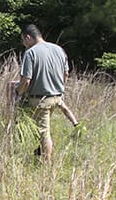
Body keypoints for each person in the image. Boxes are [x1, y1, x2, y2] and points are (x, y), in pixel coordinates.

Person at [15, 24, 75, 161]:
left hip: (40, 101)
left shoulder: (30, 53)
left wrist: (18, 92)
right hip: (57, 98)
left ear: (28, 37)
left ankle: (45, 167)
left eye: (23, 41)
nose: (24, 45)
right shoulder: (59, 50)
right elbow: (66, 73)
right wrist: (58, 88)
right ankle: (38, 155)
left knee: (44, 133)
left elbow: (26, 80)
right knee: (39, 129)